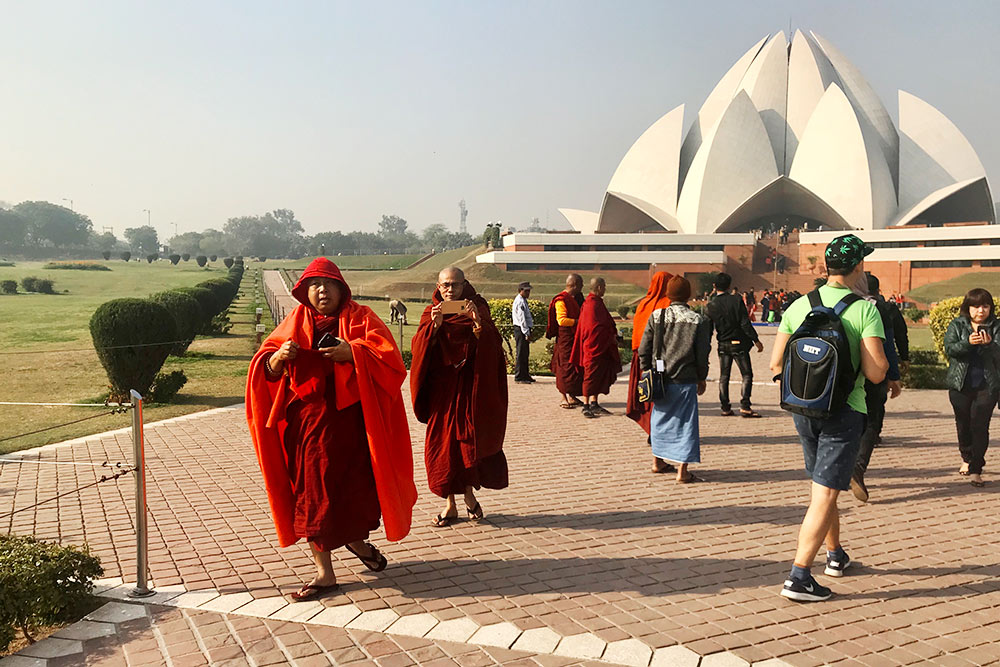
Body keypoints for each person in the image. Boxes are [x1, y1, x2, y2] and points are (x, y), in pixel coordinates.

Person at [246, 258, 417, 601]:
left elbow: (392, 363)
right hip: (307, 428)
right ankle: (325, 573)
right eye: (314, 286)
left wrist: (351, 352)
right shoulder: (296, 320)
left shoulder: (361, 318)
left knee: (350, 492)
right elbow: (265, 366)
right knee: (313, 496)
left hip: (353, 428)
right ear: (305, 292)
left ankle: (355, 541)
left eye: (328, 284)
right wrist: (278, 358)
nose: (322, 291)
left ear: (342, 289)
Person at [770, 234, 888, 602]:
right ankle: (799, 576)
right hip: (845, 410)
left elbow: (776, 364)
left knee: (826, 485)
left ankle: (835, 555)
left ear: (825, 267)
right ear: (858, 267)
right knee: (823, 494)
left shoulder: (799, 304)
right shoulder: (865, 309)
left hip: (804, 408)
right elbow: (875, 372)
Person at [411, 267, 509, 526]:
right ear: (438, 286)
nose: (450, 290)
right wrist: (433, 330)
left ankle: (467, 498)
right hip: (443, 390)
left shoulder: (478, 307)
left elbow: (493, 348)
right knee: (442, 448)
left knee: (466, 446)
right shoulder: (431, 311)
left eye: (455, 285)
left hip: (469, 388)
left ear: (465, 285)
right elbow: (419, 351)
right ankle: (449, 505)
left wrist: (478, 325)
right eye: (445, 285)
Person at [638, 276, 711, 483]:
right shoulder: (698, 320)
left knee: (659, 420)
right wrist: (701, 377)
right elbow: (702, 353)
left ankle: (657, 461)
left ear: (668, 294)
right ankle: (682, 471)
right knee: (686, 424)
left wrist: (646, 371)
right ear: (687, 295)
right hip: (685, 379)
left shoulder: (657, 316)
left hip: (660, 379)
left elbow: (644, 348)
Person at [850, 272, 903, 503]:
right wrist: (893, 376)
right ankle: (858, 468)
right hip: (873, 375)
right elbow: (887, 344)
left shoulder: (842, 303)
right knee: (872, 421)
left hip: (845, 376)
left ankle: (835, 466)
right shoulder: (879, 308)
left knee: (847, 420)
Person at [943, 288, 1000, 488]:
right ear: (968, 308)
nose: (981, 311)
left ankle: (976, 469)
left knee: (980, 426)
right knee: (963, 424)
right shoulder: (958, 325)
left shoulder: (996, 326)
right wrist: (967, 343)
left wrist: (990, 345)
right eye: (976, 306)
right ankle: (966, 457)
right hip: (961, 384)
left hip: (987, 385)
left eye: (985, 306)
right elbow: (949, 349)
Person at [626, 271, 676, 473]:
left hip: (641, 357)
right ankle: (657, 433)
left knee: (646, 393)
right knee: (659, 395)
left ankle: (651, 429)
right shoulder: (667, 304)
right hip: (659, 359)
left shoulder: (644, 304)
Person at [706, 272, 764, 417]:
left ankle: (725, 407)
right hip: (739, 343)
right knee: (746, 374)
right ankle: (745, 405)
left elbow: (708, 328)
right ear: (729, 286)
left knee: (724, 376)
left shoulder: (711, 305)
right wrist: (756, 340)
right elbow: (745, 322)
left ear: (714, 285)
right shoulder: (736, 300)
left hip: (723, 343)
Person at [571, 277, 622, 418]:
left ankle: (594, 403)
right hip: (593, 347)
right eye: (604, 286)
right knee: (590, 376)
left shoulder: (596, 303)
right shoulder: (591, 305)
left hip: (601, 346)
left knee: (598, 375)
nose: (605, 289)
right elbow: (593, 328)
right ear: (599, 287)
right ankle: (586, 405)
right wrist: (609, 336)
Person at [546, 274, 585, 408]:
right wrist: (579, 322)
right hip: (565, 339)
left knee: (575, 368)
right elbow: (561, 320)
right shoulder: (561, 300)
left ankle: (572, 396)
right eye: (581, 284)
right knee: (564, 368)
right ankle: (563, 397)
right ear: (574, 285)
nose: (582, 287)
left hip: (575, 338)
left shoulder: (577, 299)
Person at [511, 281, 534, 384]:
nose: (528, 293)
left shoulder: (523, 300)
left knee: (525, 353)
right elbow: (522, 319)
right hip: (521, 329)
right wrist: (526, 332)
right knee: (521, 353)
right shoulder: (519, 302)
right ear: (521, 291)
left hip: (524, 329)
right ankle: (519, 376)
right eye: (526, 291)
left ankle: (525, 374)